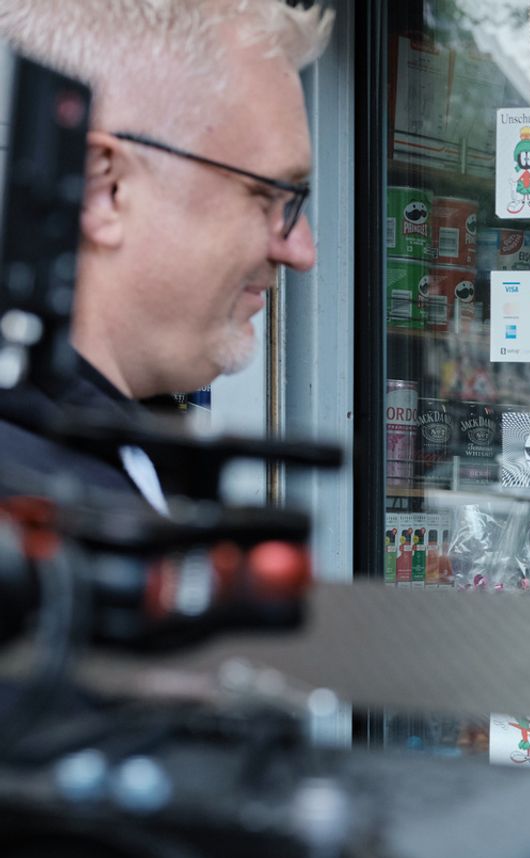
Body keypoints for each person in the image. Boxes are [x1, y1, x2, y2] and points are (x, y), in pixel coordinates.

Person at [0, 0, 328, 508]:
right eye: (268, 195)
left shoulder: (80, 467)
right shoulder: (47, 524)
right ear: (105, 189)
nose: (300, 250)